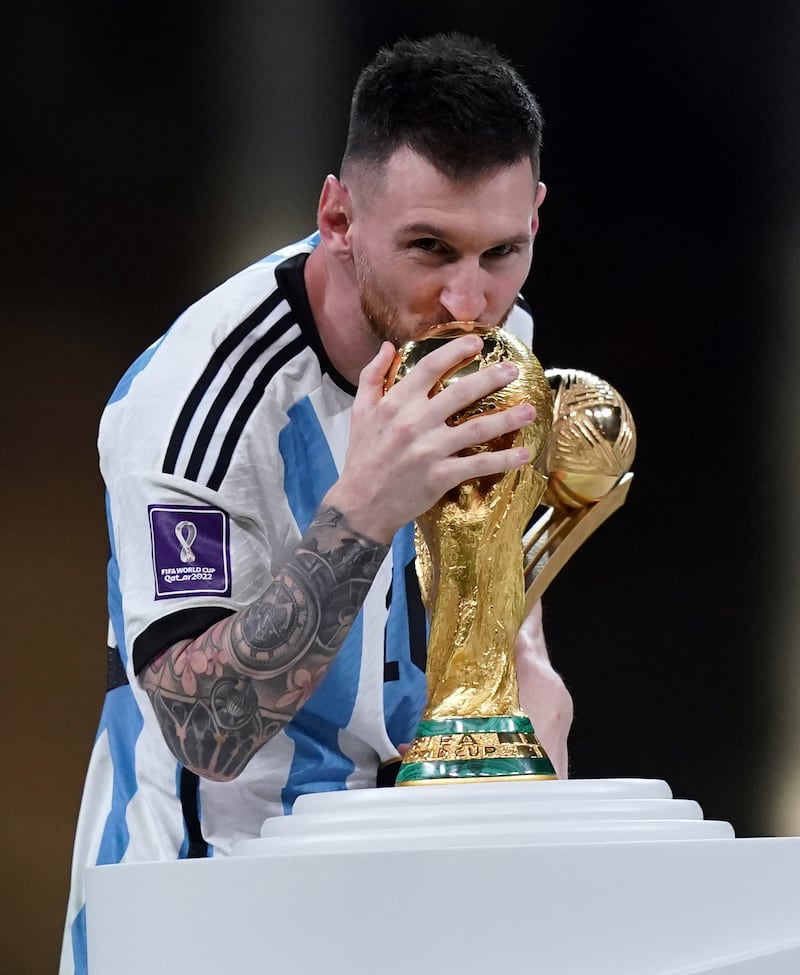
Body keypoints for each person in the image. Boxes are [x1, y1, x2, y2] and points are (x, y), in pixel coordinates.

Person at [59, 32, 573, 974]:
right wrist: (366, 510)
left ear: (537, 213)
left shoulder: (495, 336)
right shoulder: (195, 401)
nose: (471, 300)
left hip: (391, 899)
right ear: (338, 217)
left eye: (504, 250)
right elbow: (202, 731)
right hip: (203, 913)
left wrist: (529, 675)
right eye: (429, 247)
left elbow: (499, 590)